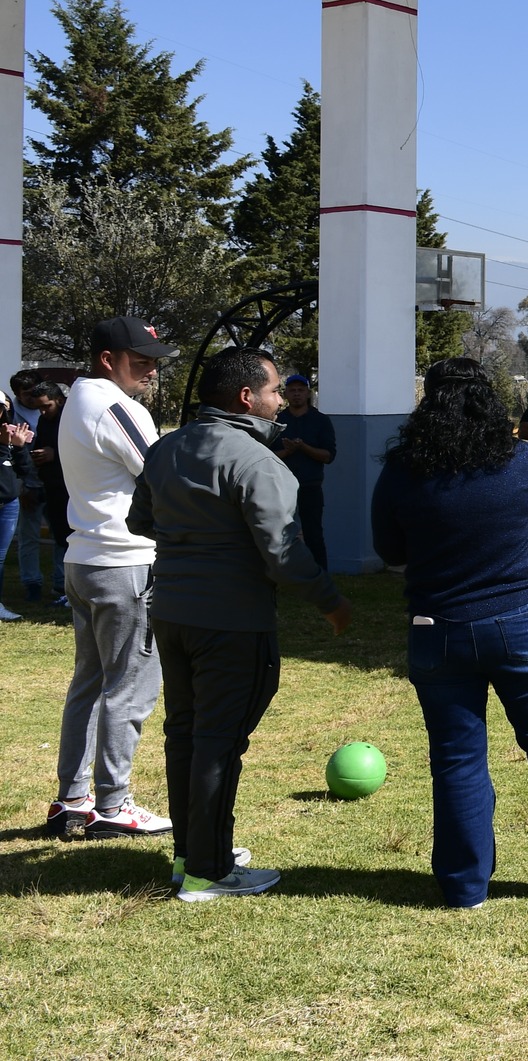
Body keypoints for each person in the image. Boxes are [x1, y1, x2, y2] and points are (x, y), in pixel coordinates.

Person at [372, 357, 528, 908]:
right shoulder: (522, 458)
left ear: (428, 402)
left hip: (436, 625)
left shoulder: (403, 469)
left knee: (456, 755)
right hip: (519, 619)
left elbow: (389, 549)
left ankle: (465, 884)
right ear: (488, 401)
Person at [130, 348, 352, 901]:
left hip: (172, 614)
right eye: (276, 391)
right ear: (247, 398)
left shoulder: (165, 448)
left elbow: (139, 520)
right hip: (231, 622)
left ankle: (190, 855)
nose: (282, 401)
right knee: (218, 744)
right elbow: (284, 554)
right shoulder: (258, 463)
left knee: (185, 734)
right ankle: (209, 870)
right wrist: (330, 601)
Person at [49, 316, 176, 840]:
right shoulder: (114, 404)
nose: (150, 371)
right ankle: (113, 803)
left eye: (153, 361)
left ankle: (74, 799)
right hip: (123, 561)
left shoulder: (79, 397)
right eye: (140, 360)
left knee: (91, 684)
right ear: (108, 359)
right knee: (131, 688)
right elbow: (160, 474)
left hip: (85, 559)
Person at [274, 374, 336, 569]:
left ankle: (321, 576)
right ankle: (282, 574)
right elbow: (266, 455)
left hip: (310, 485)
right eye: (292, 390)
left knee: (313, 535)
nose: (297, 394)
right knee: (278, 534)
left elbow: (328, 456)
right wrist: (287, 451)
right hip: (281, 488)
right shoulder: (278, 420)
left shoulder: (320, 421)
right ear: (286, 394)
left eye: (301, 390)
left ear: (308, 393)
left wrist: (304, 448)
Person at [26, 381, 71, 614]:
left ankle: (69, 589)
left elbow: (83, 452)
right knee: (60, 536)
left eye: (47, 407)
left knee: (70, 537)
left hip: (69, 488)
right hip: (51, 485)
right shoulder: (45, 420)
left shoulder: (71, 420)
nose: (43, 412)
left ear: (60, 401)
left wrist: (56, 454)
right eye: (39, 408)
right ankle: (60, 586)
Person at [9, 370, 45, 608]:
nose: (32, 398)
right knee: (29, 535)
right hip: (27, 480)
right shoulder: (10, 414)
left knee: (65, 533)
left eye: (35, 392)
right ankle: (32, 582)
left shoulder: (50, 406)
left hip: (53, 477)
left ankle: (61, 583)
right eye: (26, 395)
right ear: (17, 395)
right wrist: (21, 487)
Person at [0, 391, 32, 622]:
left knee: (0, 557)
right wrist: (4, 446)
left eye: (1, 408)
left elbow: (25, 471)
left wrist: (19, 448)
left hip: (9, 503)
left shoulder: (9, 434)